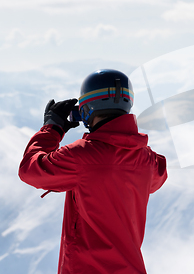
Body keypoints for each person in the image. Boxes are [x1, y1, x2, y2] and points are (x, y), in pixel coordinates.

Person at [19, 69, 167, 274]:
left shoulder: (80, 156)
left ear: (87, 110)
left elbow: (30, 170)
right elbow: (158, 175)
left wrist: (52, 128)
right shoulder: (148, 160)